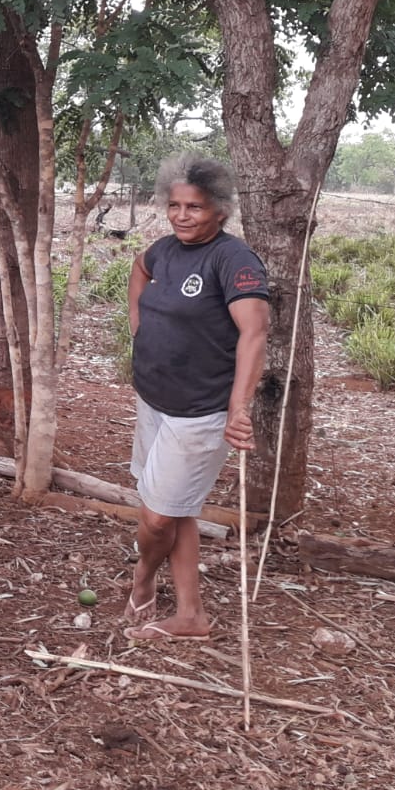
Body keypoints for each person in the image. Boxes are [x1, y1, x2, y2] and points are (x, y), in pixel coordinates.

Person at [123, 154, 269, 642]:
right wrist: (139, 334)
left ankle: (143, 576)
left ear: (220, 211)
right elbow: (138, 272)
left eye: (195, 208)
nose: (182, 215)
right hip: (155, 397)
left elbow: (254, 333)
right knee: (177, 507)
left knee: (158, 515)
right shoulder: (163, 251)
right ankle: (191, 616)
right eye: (176, 205)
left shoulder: (234, 260)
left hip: (200, 411)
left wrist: (239, 408)